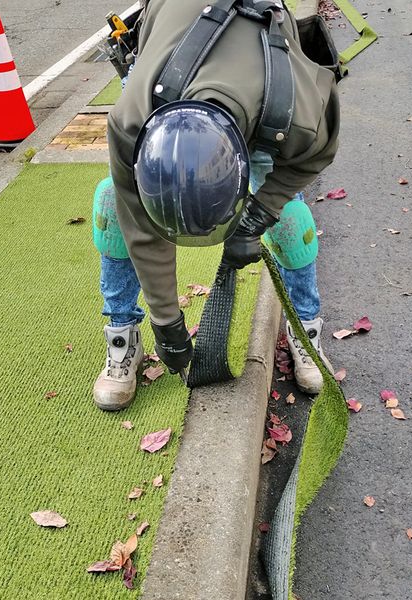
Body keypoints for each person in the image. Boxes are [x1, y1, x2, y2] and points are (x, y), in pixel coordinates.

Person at [92, 0, 340, 411]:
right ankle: (123, 333)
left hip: (262, 71)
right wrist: (167, 322)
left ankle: (305, 329)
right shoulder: (131, 121)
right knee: (112, 207)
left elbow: (316, 156)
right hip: (170, 49)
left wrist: (258, 215)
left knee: (289, 220)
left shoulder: (298, 115)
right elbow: (137, 218)